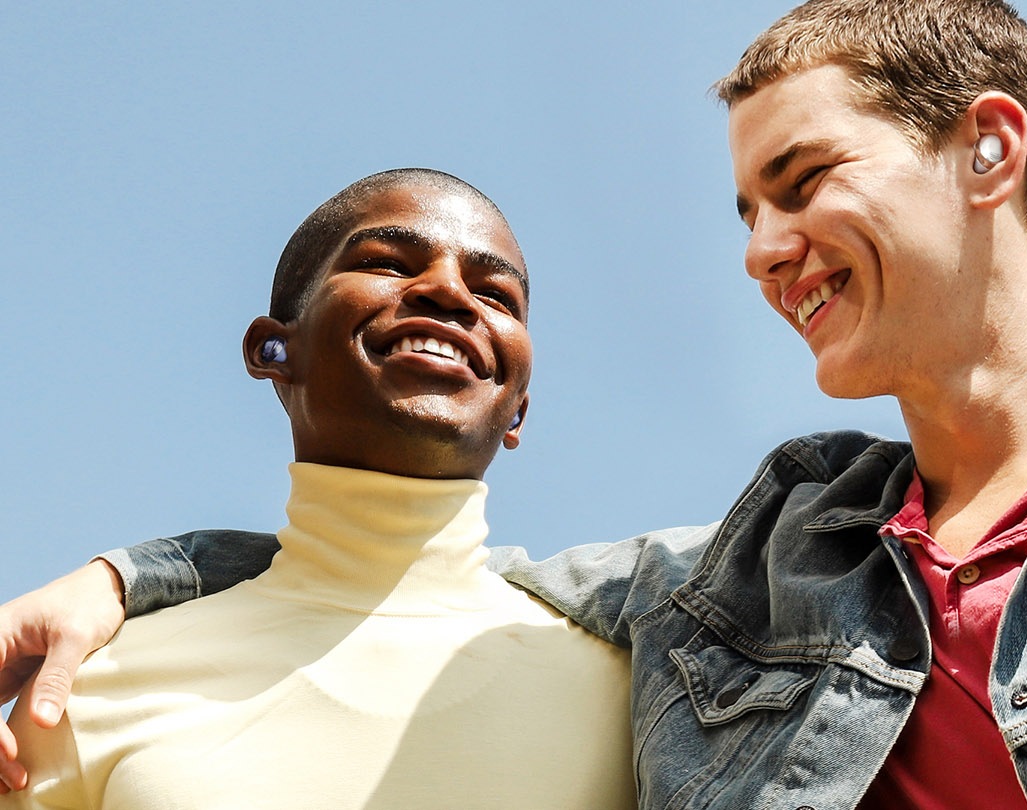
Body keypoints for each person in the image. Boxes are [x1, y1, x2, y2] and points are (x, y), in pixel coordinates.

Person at [5, 1, 1027, 808]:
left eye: (804, 181)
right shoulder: (750, 579)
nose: (760, 245)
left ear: (985, 148)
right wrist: (133, 577)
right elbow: (406, 574)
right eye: (744, 207)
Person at [0, 169, 635, 808]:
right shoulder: (85, 692)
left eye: (496, 295)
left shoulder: (650, 694)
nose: (447, 290)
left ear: (518, 408)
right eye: (386, 262)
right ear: (273, 349)